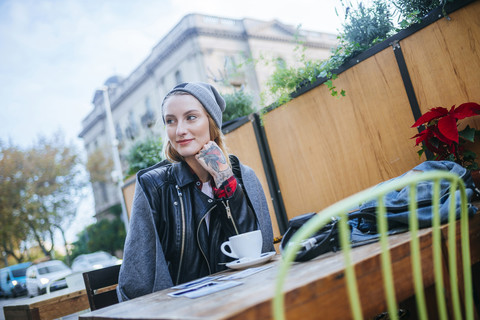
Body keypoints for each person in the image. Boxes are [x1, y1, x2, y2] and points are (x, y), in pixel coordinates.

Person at [117, 82, 274, 301]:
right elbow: (137, 280)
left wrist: (224, 179)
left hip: (246, 299)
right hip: (182, 311)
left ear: (211, 123)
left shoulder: (243, 177)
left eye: (191, 117)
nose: (179, 130)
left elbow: (256, 253)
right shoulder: (154, 186)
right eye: (170, 121)